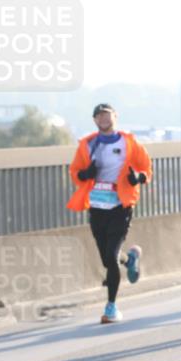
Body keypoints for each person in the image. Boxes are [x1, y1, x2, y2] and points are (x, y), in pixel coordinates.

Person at [67, 103, 151, 324]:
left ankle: (111, 307)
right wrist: (85, 173)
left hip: (120, 206)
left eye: (107, 115)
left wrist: (138, 178)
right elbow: (75, 172)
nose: (103, 119)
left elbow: (146, 168)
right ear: (95, 120)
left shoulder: (129, 143)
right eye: (99, 116)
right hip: (96, 206)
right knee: (107, 258)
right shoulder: (87, 144)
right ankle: (130, 258)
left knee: (111, 256)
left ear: (115, 116)